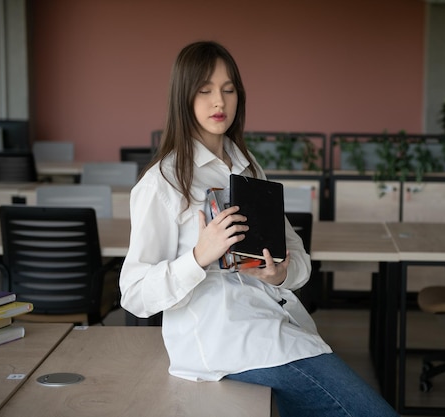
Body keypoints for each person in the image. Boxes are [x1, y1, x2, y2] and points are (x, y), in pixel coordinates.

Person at [119, 40, 399, 417]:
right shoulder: (163, 183)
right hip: (228, 344)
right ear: (182, 98)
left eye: (228, 90)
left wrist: (280, 272)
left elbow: (297, 256)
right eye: (204, 91)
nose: (219, 102)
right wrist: (199, 257)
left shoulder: (247, 167)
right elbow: (133, 294)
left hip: (276, 328)